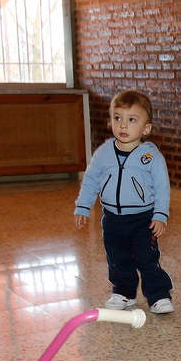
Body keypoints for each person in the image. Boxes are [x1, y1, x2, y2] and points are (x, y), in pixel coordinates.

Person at [74, 90, 174, 313]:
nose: (123, 125)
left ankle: (158, 295)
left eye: (132, 120)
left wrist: (160, 214)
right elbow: (91, 180)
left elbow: (161, 187)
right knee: (117, 258)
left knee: (146, 258)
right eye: (117, 118)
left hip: (143, 219)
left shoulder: (151, 156)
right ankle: (123, 293)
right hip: (112, 218)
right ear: (110, 122)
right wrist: (83, 205)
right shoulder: (103, 153)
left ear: (146, 128)